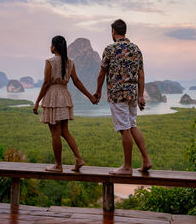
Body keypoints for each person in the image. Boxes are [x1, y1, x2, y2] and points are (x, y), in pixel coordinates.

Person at [94, 19, 152, 175]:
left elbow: (102, 73)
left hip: (117, 94)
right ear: (125, 31)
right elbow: (141, 74)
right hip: (132, 94)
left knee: (124, 129)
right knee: (132, 125)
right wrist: (140, 96)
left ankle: (127, 167)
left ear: (113, 32)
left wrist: (98, 91)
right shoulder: (136, 49)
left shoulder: (110, 49)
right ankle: (146, 160)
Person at [33, 35, 97, 173]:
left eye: (51, 45)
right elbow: (77, 81)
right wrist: (90, 97)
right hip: (64, 95)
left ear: (54, 47)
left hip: (53, 97)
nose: (50, 47)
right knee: (64, 131)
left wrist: (37, 101)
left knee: (55, 133)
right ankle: (79, 159)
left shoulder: (50, 62)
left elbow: (46, 83)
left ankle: (58, 165)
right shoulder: (70, 62)